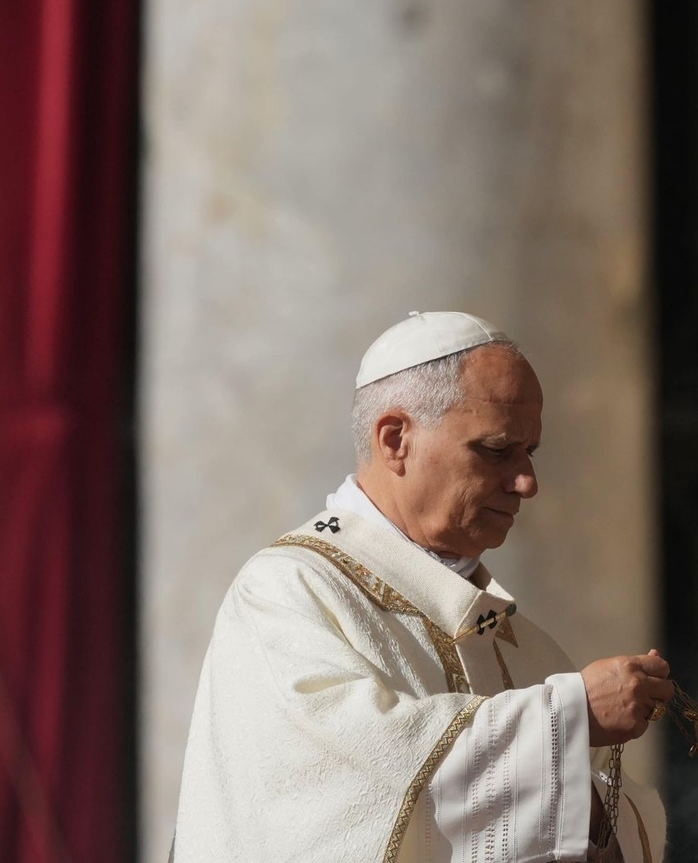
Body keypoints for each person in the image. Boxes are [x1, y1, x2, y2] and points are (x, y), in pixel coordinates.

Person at [173, 312, 672, 862]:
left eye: (531, 452)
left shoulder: (519, 644)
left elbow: (609, 816)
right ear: (395, 440)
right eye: (497, 450)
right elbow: (342, 795)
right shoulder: (288, 593)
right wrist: (566, 718)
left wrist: (582, 781)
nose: (527, 482)